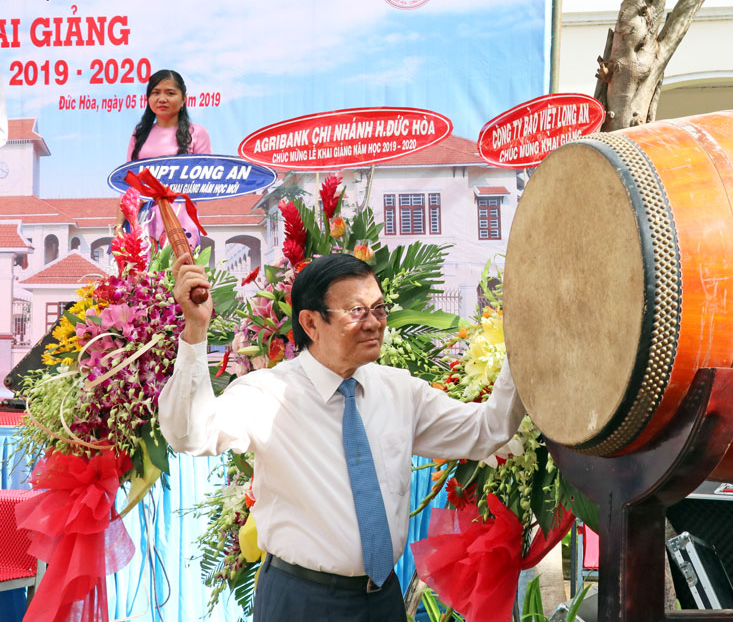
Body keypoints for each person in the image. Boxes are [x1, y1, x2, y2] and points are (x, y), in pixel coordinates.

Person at [160, 253, 525, 621]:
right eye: (357, 311)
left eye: (379, 309)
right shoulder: (267, 394)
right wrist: (195, 332)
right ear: (311, 322)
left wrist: (525, 343)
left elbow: (487, 430)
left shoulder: (400, 391)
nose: (374, 323)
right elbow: (191, 433)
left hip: (383, 600)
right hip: (301, 603)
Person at [119, 69, 211, 244]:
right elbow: (129, 184)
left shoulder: (197, 133)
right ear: (148, 99)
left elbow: (205, 179)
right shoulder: (139, 134)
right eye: (156, 93)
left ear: (184, 99)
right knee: (141, 269)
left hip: (181, 217)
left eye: (170, 93)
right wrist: (119, 224)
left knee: (178, 269)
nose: (162, 99)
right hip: (143, 218)